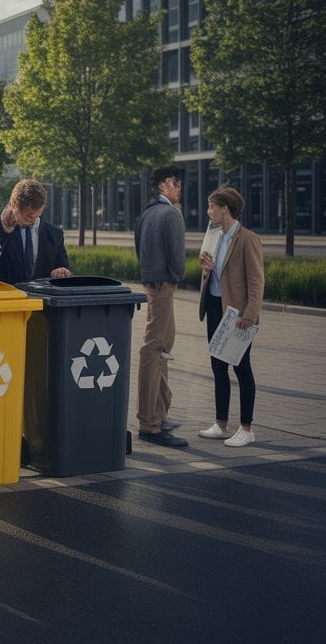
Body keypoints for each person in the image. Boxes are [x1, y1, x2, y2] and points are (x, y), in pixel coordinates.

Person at [196, 186, 264, 447]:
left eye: (212, 206)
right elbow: (213, 275)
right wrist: (206, 270)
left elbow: (257, 282)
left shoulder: (248, 239)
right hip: (214, 308)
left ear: (225, 209)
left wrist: (250, 314)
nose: (208, 211)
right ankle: (221, 424)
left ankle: (246, 428)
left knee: (241, 367)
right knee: (217, 366)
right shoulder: (214, 237)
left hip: (238, 315)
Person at [134, 166, 188, 448]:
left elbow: (137, 248)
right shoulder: (170, 214)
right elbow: (178, 255)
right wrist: (176, 277)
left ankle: (159, 413)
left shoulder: (146, 213)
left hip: (150, 281)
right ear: (164, 185)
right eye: (176, 184)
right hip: (164, 284)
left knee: (162, 347)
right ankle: (150, 423)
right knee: (156, 347)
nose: (180, 189)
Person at [0, 179, 72, 284]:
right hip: (7, 298)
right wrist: (4, 228)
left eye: (38, 213)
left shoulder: (55, 235)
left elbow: (63, 267)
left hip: (41, 299)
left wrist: (62, 270)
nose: (33, 217)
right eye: (28, 215)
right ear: (13, 205)